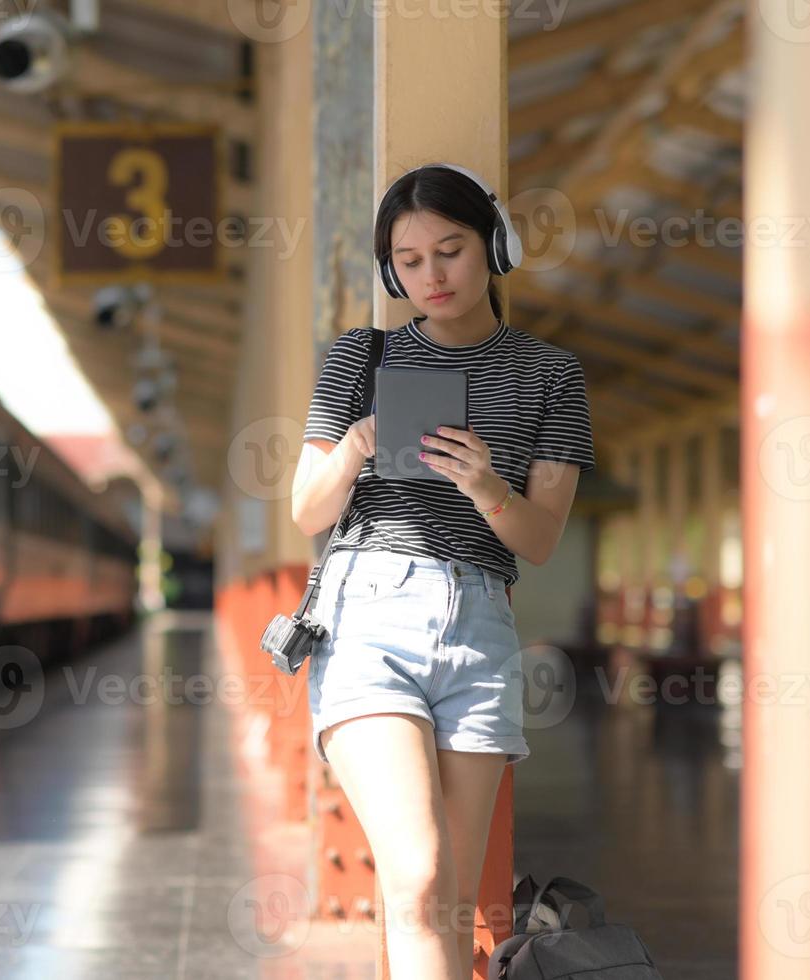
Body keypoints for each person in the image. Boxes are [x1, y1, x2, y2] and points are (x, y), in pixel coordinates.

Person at [289, 163, 596, 979]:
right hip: (368, 618)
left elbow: (537, 540)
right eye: (410, 259)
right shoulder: (360, 356)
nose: (431, 275)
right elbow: (305, 512)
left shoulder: (549, 375)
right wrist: (357, 445)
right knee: (419, 876)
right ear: (391, 267)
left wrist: (487, 485)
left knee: (456, 902)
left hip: (479, 621)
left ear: (493, 247)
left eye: (450, 251)